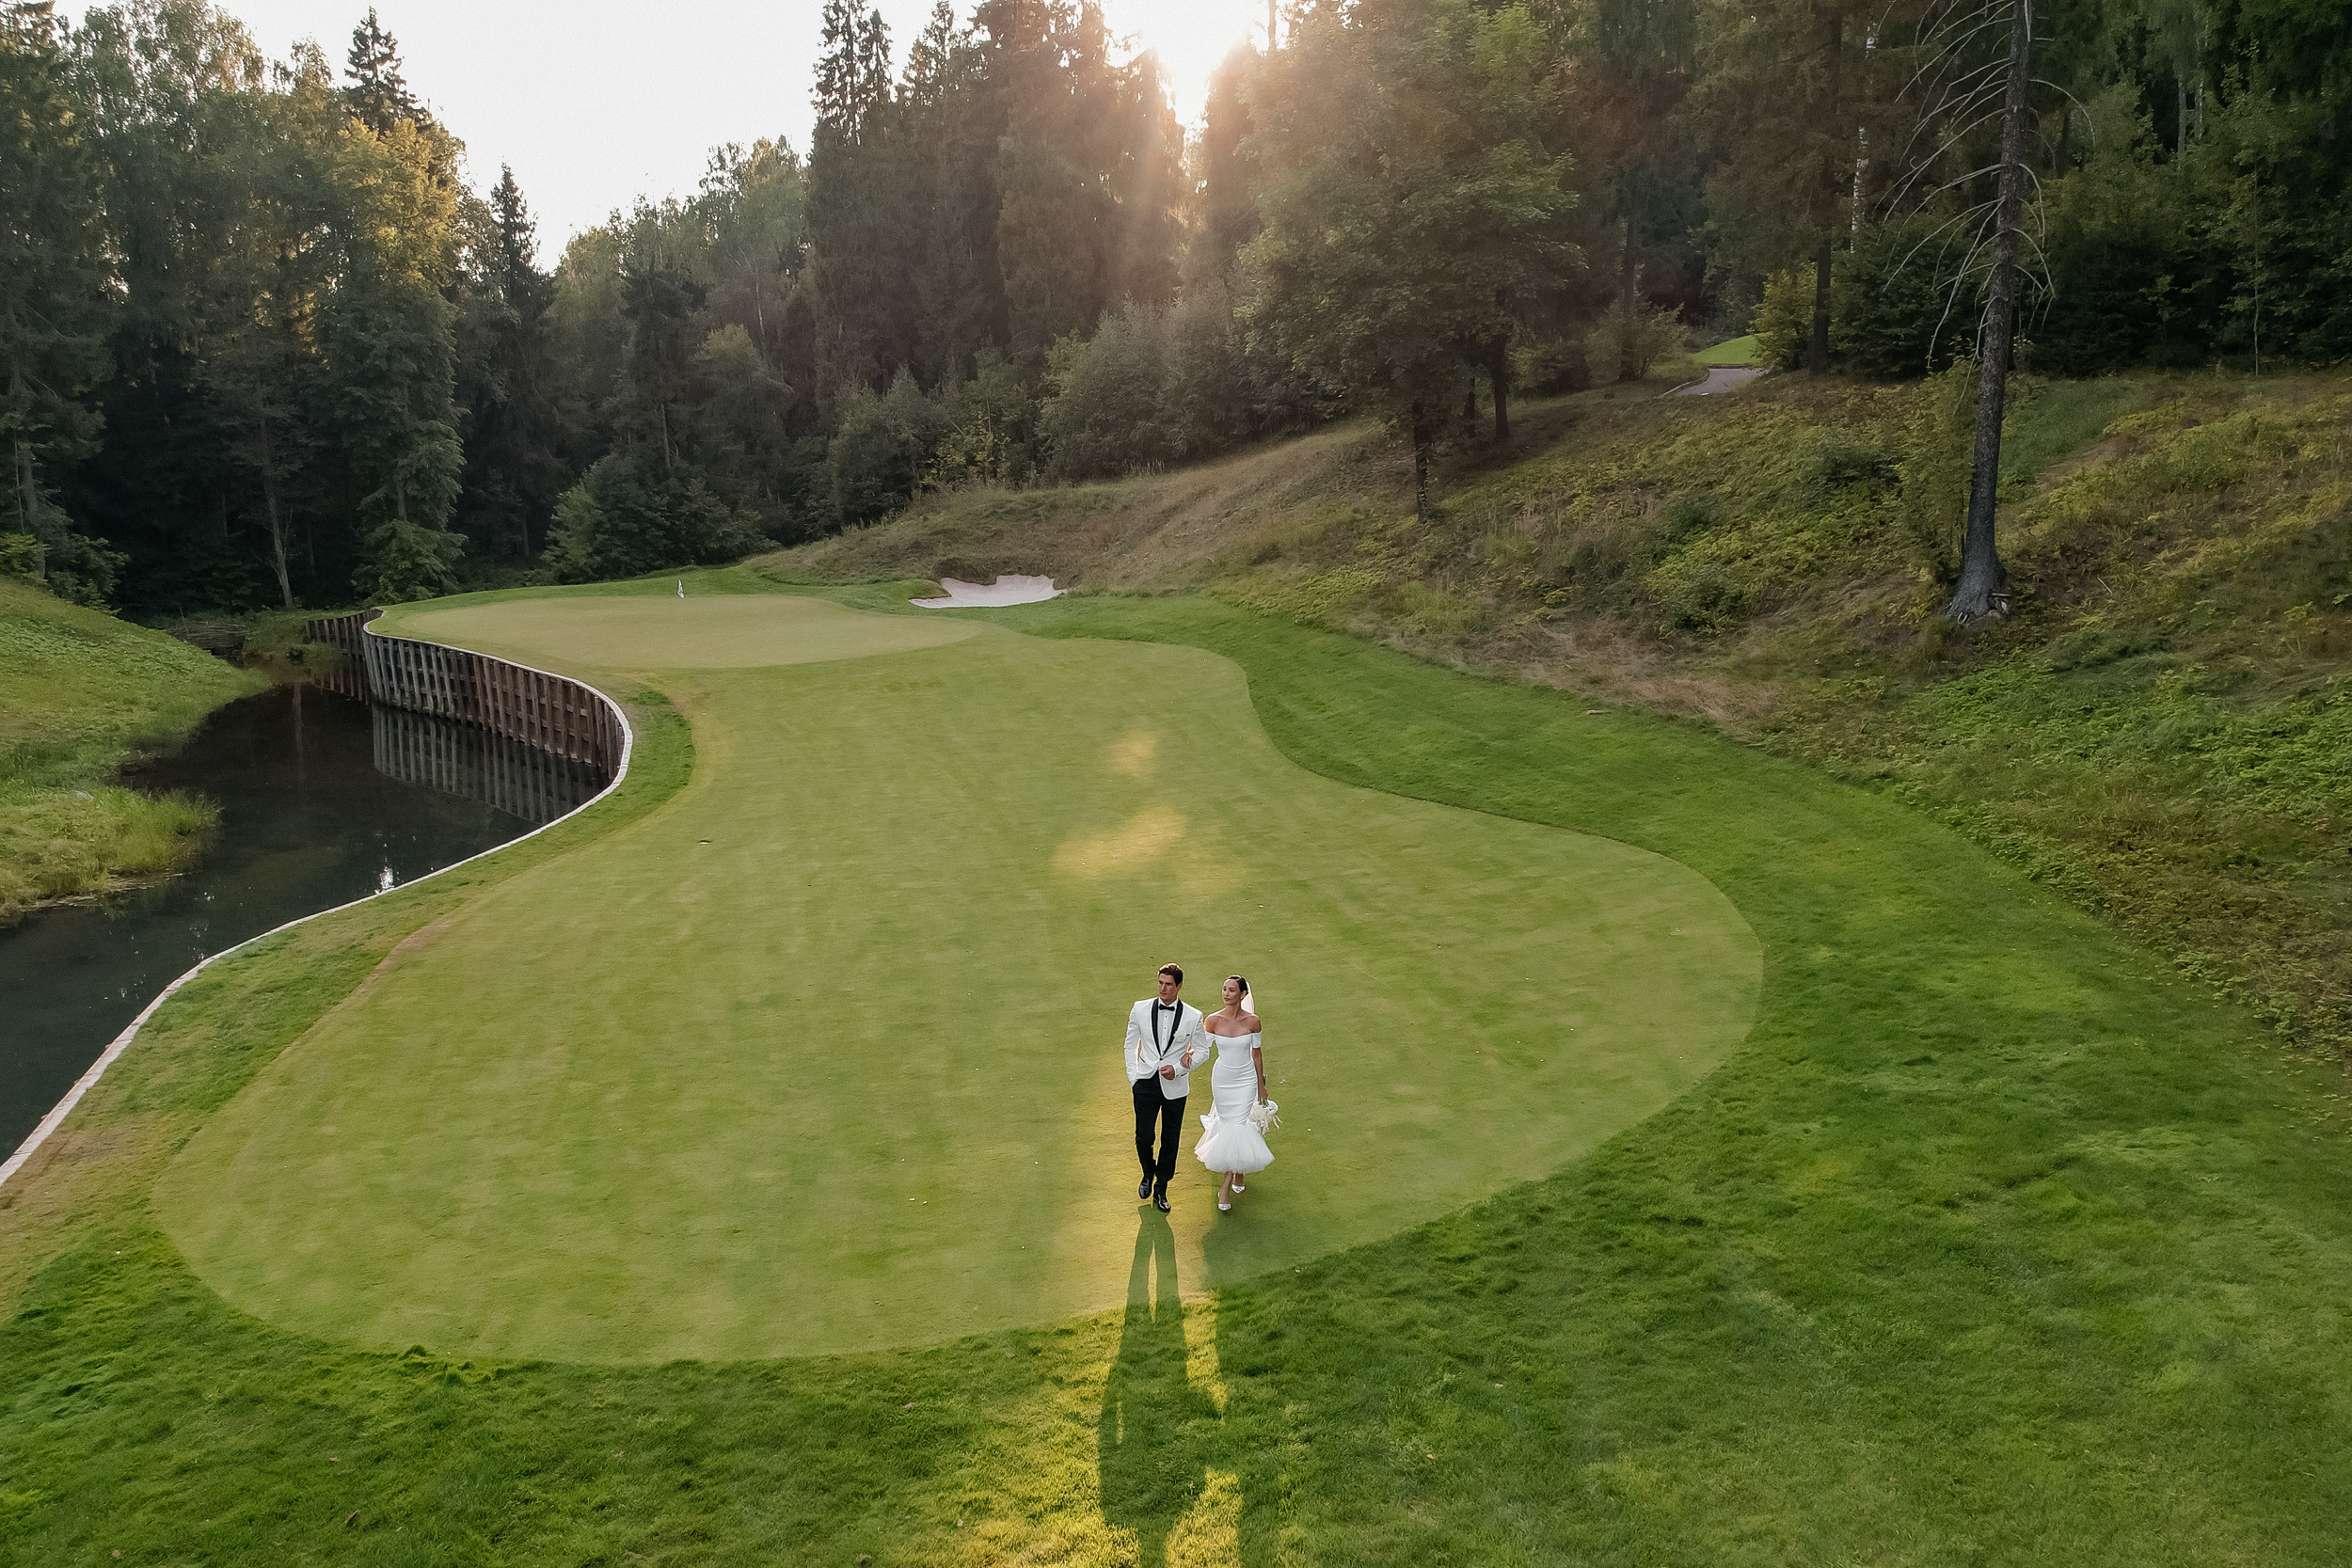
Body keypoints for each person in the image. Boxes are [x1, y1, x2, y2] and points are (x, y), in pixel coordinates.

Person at [1124, 963, 1207, 1212]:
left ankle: (1161, 1188)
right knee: (1144, 1137)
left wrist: (1179, 1069)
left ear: (1179, 986)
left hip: (1175, 1087)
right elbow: (1130, 1046)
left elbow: (1203, 1050)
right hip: (1145, 1083)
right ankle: (1148, 1173)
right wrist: (1134, 1079)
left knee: (1170, 1140)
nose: (1162, 988)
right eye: (1160, 983)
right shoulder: (1140, 1008)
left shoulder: (1193, 1016)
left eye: (1168, 984)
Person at [1193, 974, 1271, 1211]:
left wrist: (1260, 1084)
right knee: (1230, 1126)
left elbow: (1256, 1053)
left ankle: (1225, 1187)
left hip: (1246, 1080)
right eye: (1224, 989)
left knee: (1238, 1126)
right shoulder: (1213, 1020)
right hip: (1223, 1080)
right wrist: (1184, 1056)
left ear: (1243, 994)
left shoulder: (1253, 1022)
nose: (1226, 994)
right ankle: (1235, 1176)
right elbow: (1200, 1047)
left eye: (1231, 990)